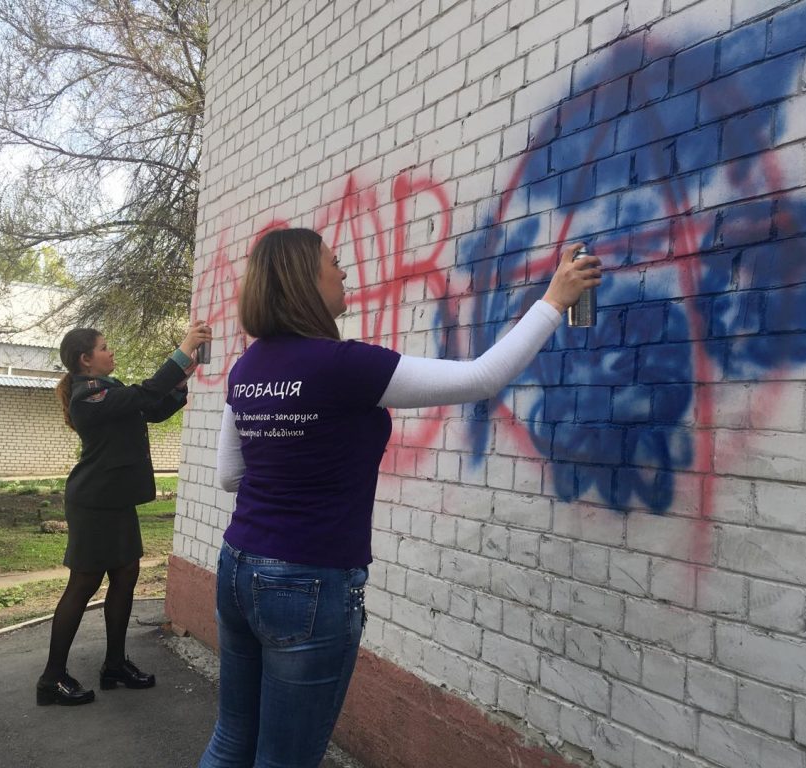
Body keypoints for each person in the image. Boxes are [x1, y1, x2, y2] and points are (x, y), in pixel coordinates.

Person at [199, 227, 601, 767]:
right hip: (308, 581)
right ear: (303, 281)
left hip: (238, 566)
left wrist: (289, 467)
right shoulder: (343, 365)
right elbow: (480, 378)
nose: (344, 272)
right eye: (333, 263)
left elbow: (228, 475)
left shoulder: (247, 368)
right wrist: (554, 300)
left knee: (232, 739)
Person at [36, 321, 212, 706]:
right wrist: (181, 351)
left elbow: (153, 407)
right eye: (104, 347)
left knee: (126, 574)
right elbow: (146, 391)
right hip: (94, 503)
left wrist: (183, 380)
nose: (111, 352)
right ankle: (51, 678)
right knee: (83, 584)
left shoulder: (109, 390)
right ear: (86, 360)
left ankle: (115, 664)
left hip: (114, 500)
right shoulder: (88, 395)